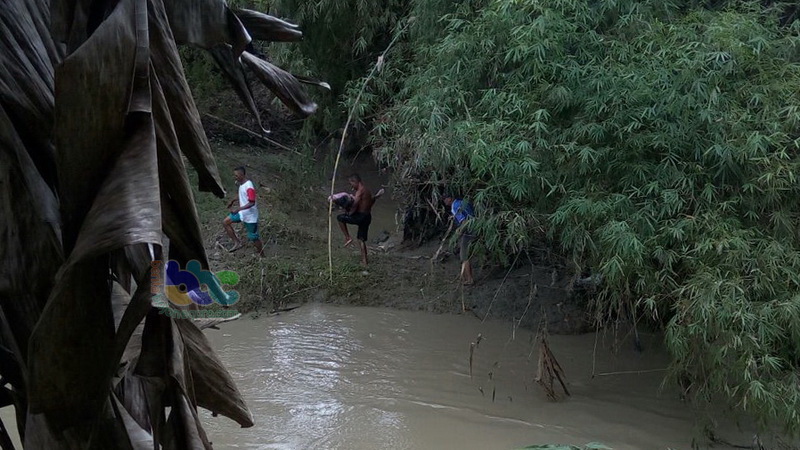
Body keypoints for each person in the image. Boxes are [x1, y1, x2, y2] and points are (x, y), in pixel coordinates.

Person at [222, 166, 264, 255]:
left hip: (250, 216)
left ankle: (262, 255)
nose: (235, 177)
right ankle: (237, 243)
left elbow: (251, 202)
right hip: (242, 213)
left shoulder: (249, 186)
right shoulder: (242, 184)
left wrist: (238, 209)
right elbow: (242, 194)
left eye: (236, 175)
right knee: (225, 222)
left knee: (254, 237)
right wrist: (232, 201)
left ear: (242, 175)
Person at [336, 174, 374, 266]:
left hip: (360, 217)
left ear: (355, 182)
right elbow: (371, 202)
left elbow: (355, 204)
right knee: (361, 239)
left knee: (340, 218)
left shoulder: (359, 191)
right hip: (367, 216)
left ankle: (348, 237)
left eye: (351, 183)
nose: (351, 186)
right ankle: (364, 261)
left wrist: (349, 213)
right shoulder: (367, 190)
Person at [443, 192, 475, 285]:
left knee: (464, 256)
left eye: (445, 199)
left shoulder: (454, 206)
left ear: (450, 198)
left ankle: (469, 280)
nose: (444, 201)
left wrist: (459, 232)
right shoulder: (462, 202)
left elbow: (464, 221)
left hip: (469, 230)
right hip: (476, 225)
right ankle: (465, 278)